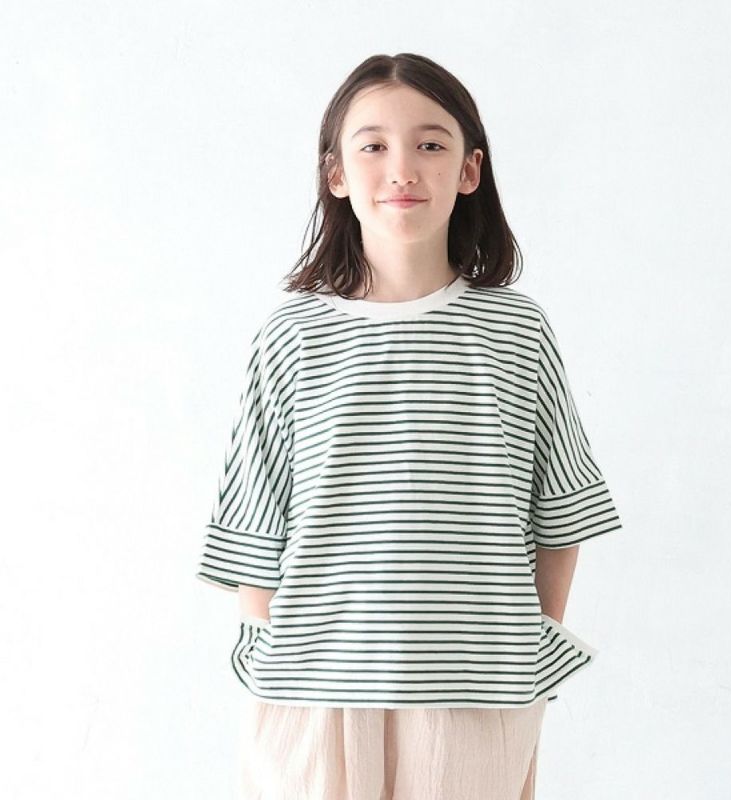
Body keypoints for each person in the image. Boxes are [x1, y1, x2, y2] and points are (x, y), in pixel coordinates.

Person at [196, 52, 623, 800]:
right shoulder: (292, 336)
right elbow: (254, 521)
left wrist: (530, 651)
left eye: (430, 144)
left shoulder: (515, 332)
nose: (402, 169)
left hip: (477, 694)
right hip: (312, 691)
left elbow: (561, 511)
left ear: (469, 169)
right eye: (373, 146)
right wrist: (267, 653)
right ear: (336, 173)